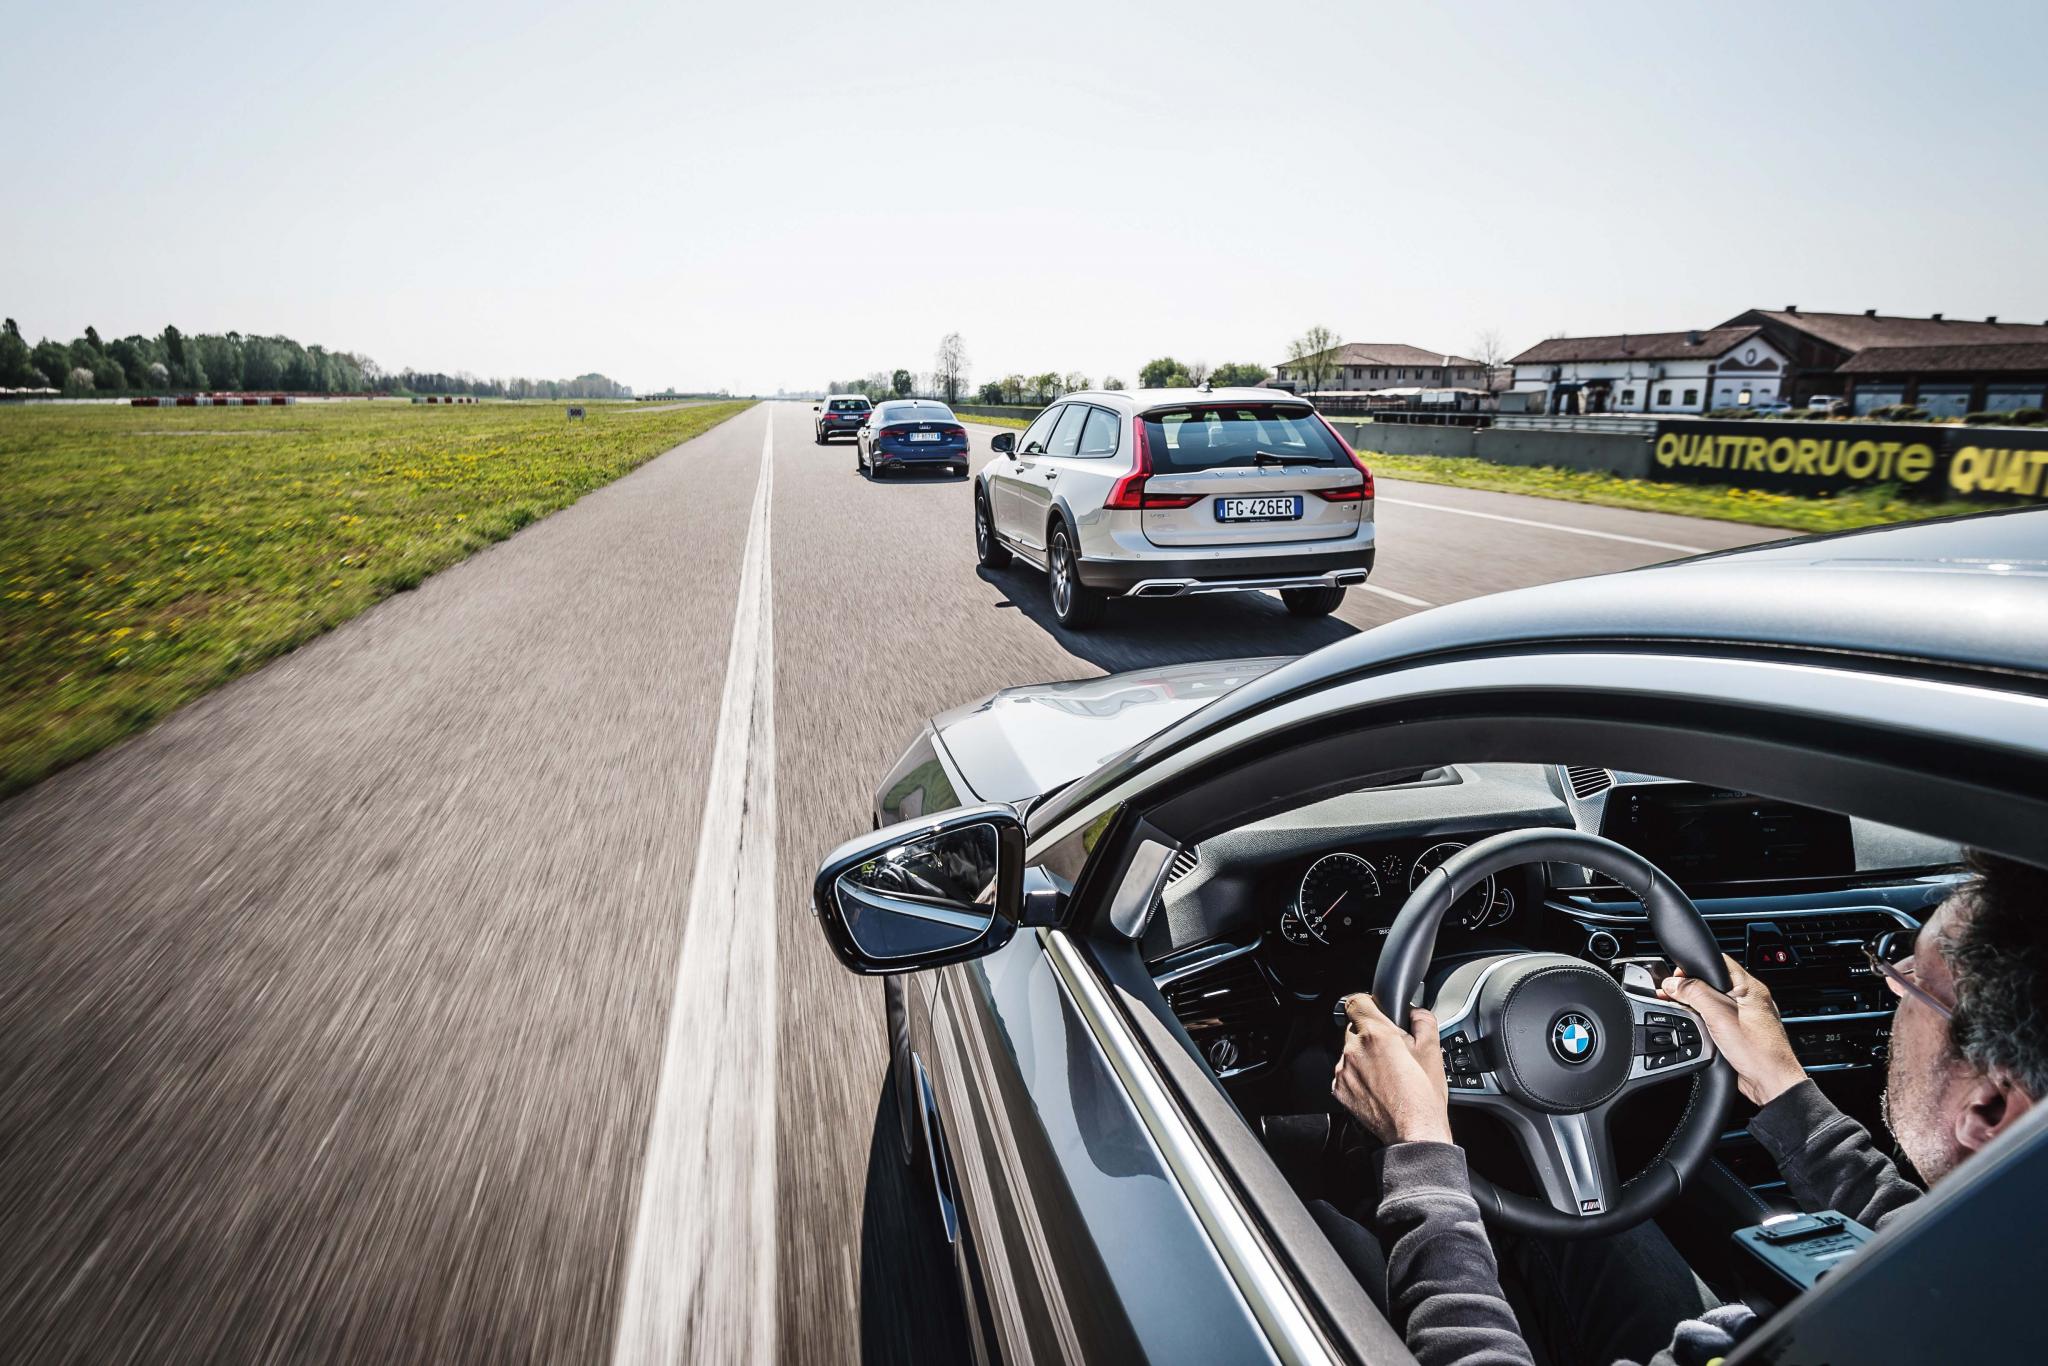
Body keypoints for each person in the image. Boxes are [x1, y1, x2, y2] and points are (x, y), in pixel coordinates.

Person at [1326, 851, 2046, 1366]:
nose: (1889, 987)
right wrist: (1784, 1088)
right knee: (1577, 1223)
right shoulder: (2001, 1261)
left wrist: (1422, 1153)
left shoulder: (1791, 1341)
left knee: (1326, 1239)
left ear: (1986, 1105)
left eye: (1910, 980)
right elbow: (1916, 1237)